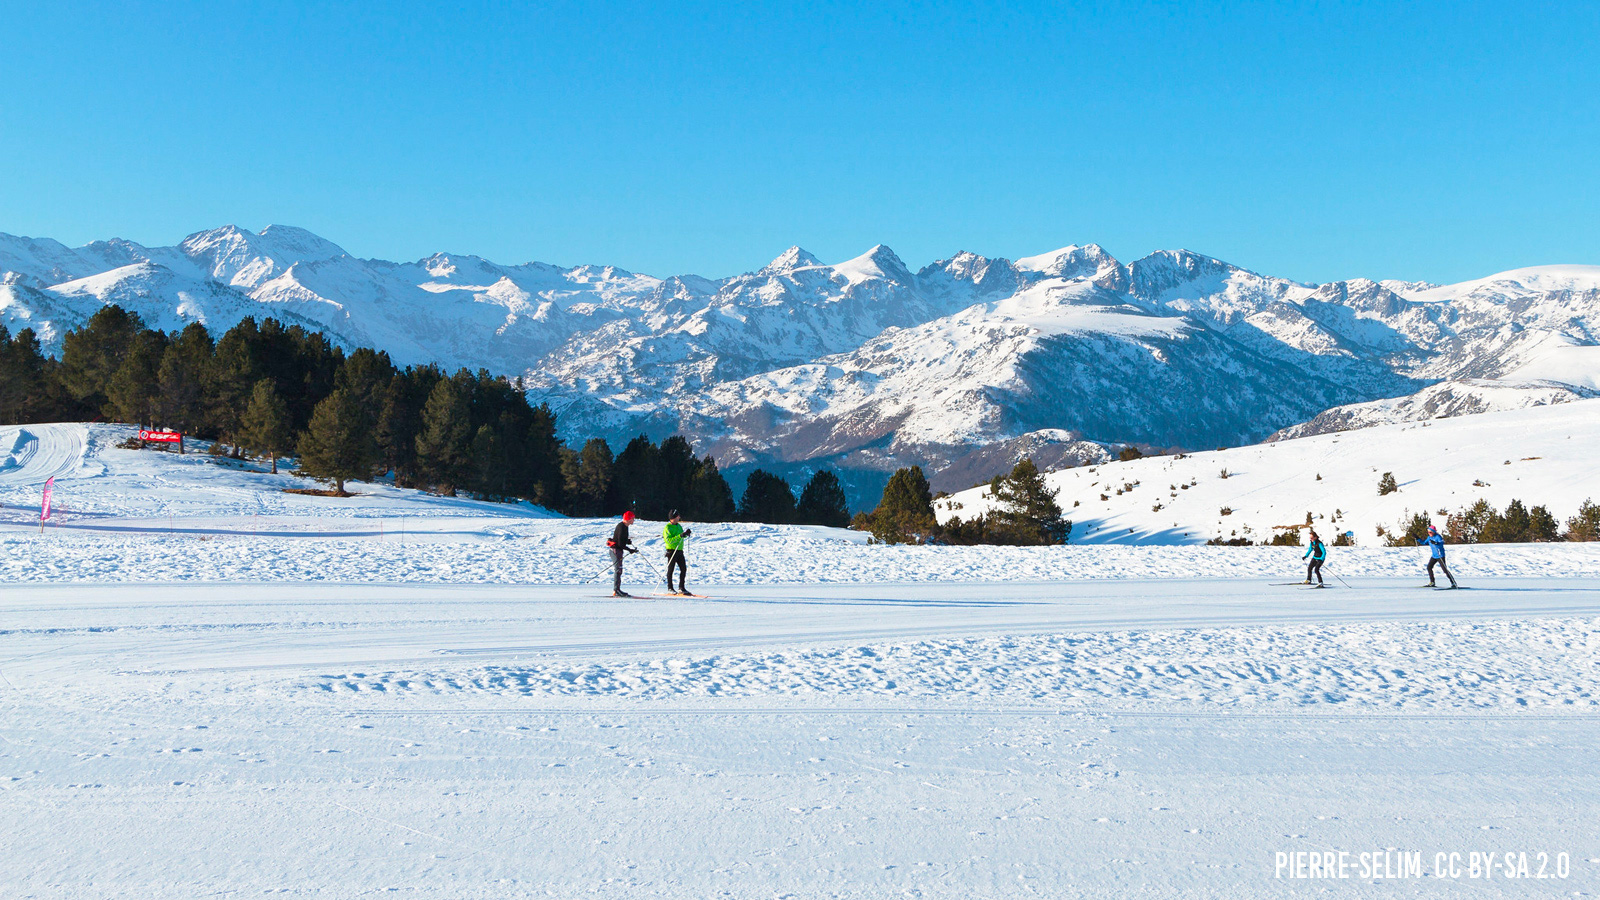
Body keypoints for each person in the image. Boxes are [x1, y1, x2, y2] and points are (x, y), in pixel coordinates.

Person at [607, 511, 639, 597]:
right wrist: (630, 550)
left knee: (619, 570)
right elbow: (620, 543)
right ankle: (616, 590)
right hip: (615, 550)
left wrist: (627, 541)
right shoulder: (621, 527)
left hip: (619, 550)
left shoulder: (625, 526)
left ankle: (617, 590)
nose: (633, 520)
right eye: (632, 518)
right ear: (628, 519)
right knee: (618, 570)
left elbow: (621, 539)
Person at [662, 510, 693, 596]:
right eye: (677, 516)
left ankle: (681, 588)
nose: (679, 517)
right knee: (670, 570)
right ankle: (670, 588)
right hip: (671, 551)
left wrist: (686, 534)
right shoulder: (667, 528)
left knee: (683, 569)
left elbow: (681, 537)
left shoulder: (679, 526)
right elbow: (669, 540)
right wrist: (680, 536)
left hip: (679, 551)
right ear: (673, 518)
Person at [1416, 524, 1457, 588]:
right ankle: (1432, 582)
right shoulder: (1429, 537)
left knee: (1445, 570)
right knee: (1429, 567)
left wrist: (1436, 543)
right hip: (1434, 556)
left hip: (1440, 556)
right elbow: (1424, 542)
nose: (1429, 533)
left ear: (1433, 531)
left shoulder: (1438, 537)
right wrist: (1417, 538)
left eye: (1430, 532)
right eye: (1428, 532)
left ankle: (1453, 583)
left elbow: (1441, 543)